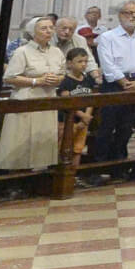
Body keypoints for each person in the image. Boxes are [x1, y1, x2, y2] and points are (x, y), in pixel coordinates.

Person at [92, 1, 135, 162]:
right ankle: (100, 163)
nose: (133, 16)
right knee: (107, 126)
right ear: (120, 15)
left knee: (126, 126)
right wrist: (124, 82)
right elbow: (107, 64)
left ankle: (119, 161)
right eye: (129, 13)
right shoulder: (108, 37)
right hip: (115, 85)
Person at [0, 14, 64, 170]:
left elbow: (62, 73)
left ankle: (39, 173)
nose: (48, 31)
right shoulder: (22, 51)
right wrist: (36, 81)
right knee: (22, 141)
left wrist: (57, 79)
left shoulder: (57, 52)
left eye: (51, 28)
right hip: (26, 100)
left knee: (43, 140)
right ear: (33, 32)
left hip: (48, 99)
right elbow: (9, 77)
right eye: (43, 28)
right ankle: (17, 175)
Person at [56, 47, 99, 177]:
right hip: (67, 121)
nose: (83, 64)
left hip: (83, 122)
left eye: (85, 61)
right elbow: (66, 101)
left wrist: (87, 116)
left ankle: (74, 175)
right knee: (63, 148)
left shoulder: (88, 80)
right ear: (69, 63)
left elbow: (91, 99)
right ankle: (62, 176)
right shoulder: (65, 81)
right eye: (79, 61)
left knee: (78, 149)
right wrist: (81, 115)